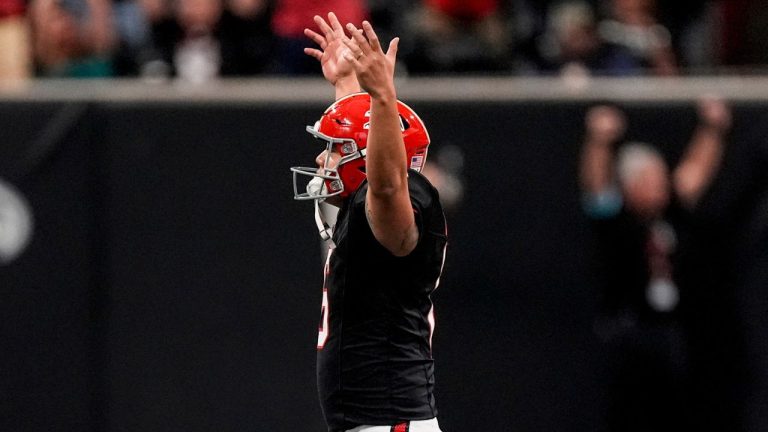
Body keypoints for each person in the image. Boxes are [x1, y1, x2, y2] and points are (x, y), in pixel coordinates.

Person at [291, 13, 446, 432]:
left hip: (391, 422)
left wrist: (382, 97)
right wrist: (347, 83)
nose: (322, 160)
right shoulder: (364, 205)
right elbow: (362, 149)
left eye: (334, 151)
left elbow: (386, 182)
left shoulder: (400, 202)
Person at [579, 99, 731, 431]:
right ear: (630, 185)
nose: (660, 186)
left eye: (661, 178)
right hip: (631, 331)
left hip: (672, 332)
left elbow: (694, 174)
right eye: (649, 180)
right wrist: (599, 141)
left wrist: (712, 129)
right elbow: (596, 187)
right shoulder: (617, 221)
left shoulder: (671, 216)